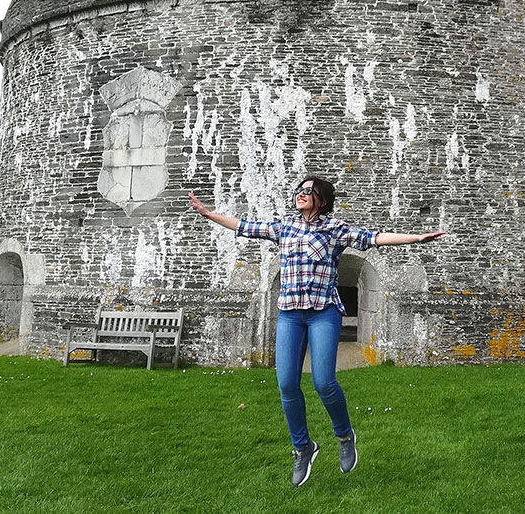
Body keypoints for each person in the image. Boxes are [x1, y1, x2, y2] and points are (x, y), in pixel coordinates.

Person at [189, 176, 445, 487]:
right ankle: (302, 448)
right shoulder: (284, 227)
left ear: (321, 198)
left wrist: (416, 239)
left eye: (308, 191)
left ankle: (344, 435)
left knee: (324, 382)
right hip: (290, 316)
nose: (301, 194)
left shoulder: (334, 229)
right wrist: (208, 214)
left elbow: (374, 238)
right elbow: (245, 225)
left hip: (323, 313)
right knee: (287, 385)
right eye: (299, 189)